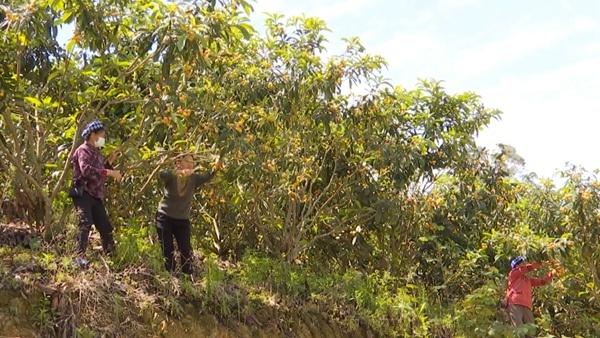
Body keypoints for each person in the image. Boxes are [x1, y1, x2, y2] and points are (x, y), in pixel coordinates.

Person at [155, 153, 223, 275]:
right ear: (179, 163)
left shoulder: (194, 178)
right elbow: (161, 174)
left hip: (182, 220)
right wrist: (177, 173)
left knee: (186, 250)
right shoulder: (171, 176)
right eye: (187, 162)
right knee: (167, 249)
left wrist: (217, 164)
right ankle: (170, 278)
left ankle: (187, 278)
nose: (191, 165)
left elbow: (208, 175)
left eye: (192, 163)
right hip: (165, 217)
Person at [71, 120, 122, 268]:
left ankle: (112, 257)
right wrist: (110, 172)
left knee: (105, 226)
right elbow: (86, 170)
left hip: (95, 194)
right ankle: (78, 257)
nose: (103, 139)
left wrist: (109, 162)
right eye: (101, 135)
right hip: (83, 192)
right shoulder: (83, 150)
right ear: (93, 135)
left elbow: (99, 170)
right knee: (85, 223)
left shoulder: (97, 153)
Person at [504, 256, 553, 328]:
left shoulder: (528, 280)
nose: (525, 264)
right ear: (517, 265)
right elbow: (527, 268)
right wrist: (539, 262)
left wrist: (551, 273)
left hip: (527, 305)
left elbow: (542, 282)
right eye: (523, 262)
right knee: (518, 330)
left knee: (531, 331)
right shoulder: (513, 273)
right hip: (515, 303)